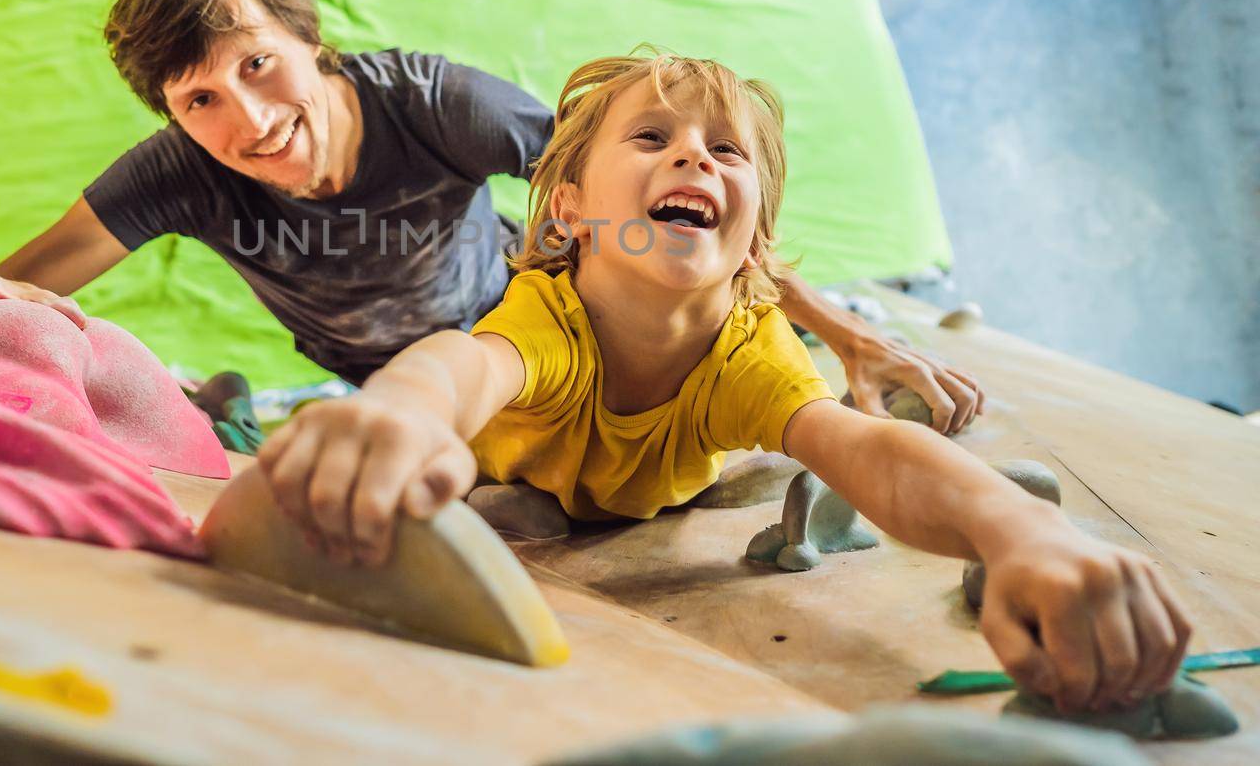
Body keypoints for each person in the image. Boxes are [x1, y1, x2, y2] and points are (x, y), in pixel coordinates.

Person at [258, 50, 1191, 716]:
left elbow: (869, 449)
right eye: (652, 136)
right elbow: (461, 366)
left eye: (726, 152)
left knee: (806, 442)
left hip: (670, 481)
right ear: (573, 211)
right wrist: (396, 410)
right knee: (485, 499)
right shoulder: (550, 315)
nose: (694, 157)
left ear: (754, 242)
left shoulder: (749, 351)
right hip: (518, 474)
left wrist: (1022, 530)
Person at [0, 0, 982, 431]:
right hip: (388, 380)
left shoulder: (438, 106)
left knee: (691, 357)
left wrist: (848, 336)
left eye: (260, 65)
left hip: (536, 316)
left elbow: (665, 200)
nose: (250, 121)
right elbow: (13, 280)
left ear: (311, 43)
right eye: (200, 99)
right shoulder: (181, 174)